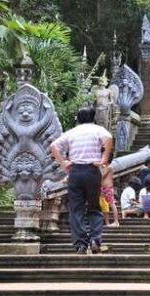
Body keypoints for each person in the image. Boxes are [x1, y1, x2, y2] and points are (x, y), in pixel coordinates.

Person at [50, 106, 113, 254]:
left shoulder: (72, 132)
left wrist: (63, 163)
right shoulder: (97, 130)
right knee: (94, 207)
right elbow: (109, 137)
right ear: (93, 117)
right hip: (92, 171)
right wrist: (104, 158)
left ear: (78, 118)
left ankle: (80, 244)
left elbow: (53, 146)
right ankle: (95, 240)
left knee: (76, 210)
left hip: (76, 171)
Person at [99, 151, 119, 227]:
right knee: (104, 204)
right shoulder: (106, 167)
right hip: (103, 188)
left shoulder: (109, 167)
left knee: (112, 204)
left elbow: (102, 176)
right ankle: (106, 222)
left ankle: (116, 221)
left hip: (107, 188)